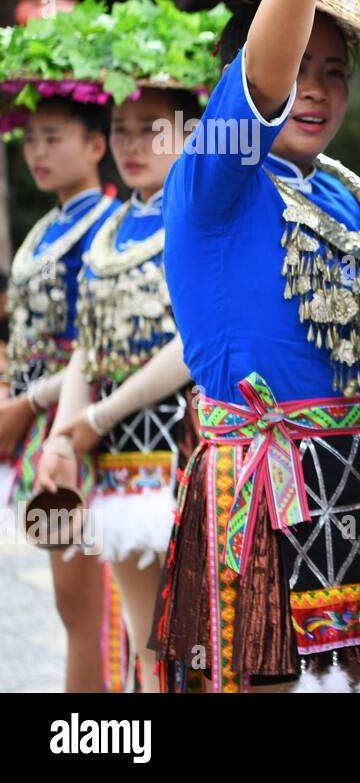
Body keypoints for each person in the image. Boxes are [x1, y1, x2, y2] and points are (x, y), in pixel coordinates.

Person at [154, 0, 360, 692]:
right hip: (266, 501)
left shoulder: (354, 196)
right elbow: (264, 88)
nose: (314, 87)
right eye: (298, 65)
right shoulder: (218, 176)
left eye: (335, 72)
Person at [36, 79, 208, 693]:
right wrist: (61, 440)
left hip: (183, 453)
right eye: (122, 131)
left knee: (198, 638)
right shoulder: (112, 228)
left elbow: (196, 340)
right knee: (147, 645)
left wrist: (100, 416)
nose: (132, 145)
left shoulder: (198, 214)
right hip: (116, 462)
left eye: (151, 129)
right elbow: (90, 342)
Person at [1, 93, 118, 691]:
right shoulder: (51, 225)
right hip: (38, 436)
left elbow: (95, 347)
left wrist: (32, 403)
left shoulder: (106, 227)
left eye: (53, 136)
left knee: (91, 613)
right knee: (71, 607)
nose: (37, 151)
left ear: (97, 145)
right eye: (30, 138)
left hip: (82, 436)